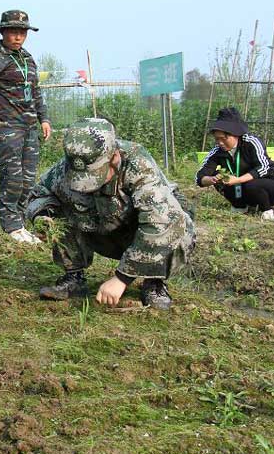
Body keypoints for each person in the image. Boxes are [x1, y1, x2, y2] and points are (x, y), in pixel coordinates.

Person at [25, 118, 195, 310]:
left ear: (114, 158)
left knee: (178, 222)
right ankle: (74, 277)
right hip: (101, 229)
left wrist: (122, 278)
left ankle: (153, 281)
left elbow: (159, 222)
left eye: (95, 174)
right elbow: (38, 195)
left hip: (139, 234)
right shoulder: (68, 166)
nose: (88, 184)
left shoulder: (138, 165)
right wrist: (42, 217)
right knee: (56, 211)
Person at [0, 9, 51, 245]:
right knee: (12, 178)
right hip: (4, 127)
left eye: (22, 32)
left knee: (28, 180)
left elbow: (36, 92)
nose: (18, 37)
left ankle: (21, 223)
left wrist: (44, 118)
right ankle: (11, 226)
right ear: (3, 32)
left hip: (28, 128)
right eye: (13, 32)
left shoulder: (28, 58)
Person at [196, 107, 274, 220]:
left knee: (252, 184)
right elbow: (199, 176)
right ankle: (239, 206)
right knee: (219, 176)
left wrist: (237, 180)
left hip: (271, 186)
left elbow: (263, 167)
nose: (220, 143)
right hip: (244, 189)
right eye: (217, 139)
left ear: (235, 134)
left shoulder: (251, 142)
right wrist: (211, 179)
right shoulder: (217, 151)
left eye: (224, 138)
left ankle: (266, 210)